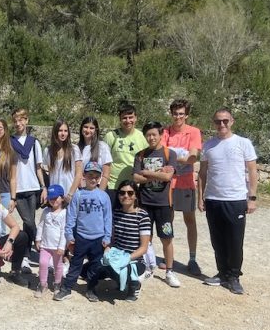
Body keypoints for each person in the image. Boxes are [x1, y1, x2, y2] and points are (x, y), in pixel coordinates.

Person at [198, 108, 258, 295]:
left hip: (235, 199)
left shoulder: (243, 143)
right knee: (217, 240)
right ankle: (222, 273)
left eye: (225, 120)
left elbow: (253, 171)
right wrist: (201, 197)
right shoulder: (208, 145)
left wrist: (252, 198)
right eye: (218, 121)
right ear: (213, 123)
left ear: (232, 121)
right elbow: (202, 173)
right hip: (213, 199)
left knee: (234, 240)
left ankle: (234, 277)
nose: (221, 124)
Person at [54, 161, 112, 302]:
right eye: (90, 175)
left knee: (95, 266)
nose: (93, 179)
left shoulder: (103, 196)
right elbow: (71, 217)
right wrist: (69, 235)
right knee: (75, 264)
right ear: (84, 176)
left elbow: (108, 218)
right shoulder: (78, 196)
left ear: (99, 178)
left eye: (96, 176)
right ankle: (67, 288)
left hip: (98, 239)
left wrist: (107, 236)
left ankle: (91, 289)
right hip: (81, 237)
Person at [133, 121, 181, 288]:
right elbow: (136, 178)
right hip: (145, 203)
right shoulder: (140, 155)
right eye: (148, 135)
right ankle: (147, 268)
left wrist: (146, 172)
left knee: (166, 238)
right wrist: (157, 174)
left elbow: (168, 177)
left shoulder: (170, 154)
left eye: (154, 134)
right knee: (146, 237)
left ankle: (169, 271)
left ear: (161, 135)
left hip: (163, 204)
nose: (151, 137)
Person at [85, 180, 151, 302]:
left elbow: (144, 247)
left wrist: (127, 258)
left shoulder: (143, 216)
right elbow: (111, 239)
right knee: (89, 268)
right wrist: (107, 250)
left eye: (130, 193)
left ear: (136, 195)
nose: (126, 196)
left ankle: (134, 285)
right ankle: (93, 288)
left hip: (134, 260)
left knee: (125, 269)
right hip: (116, 255)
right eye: (122, 193)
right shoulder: (115, 213)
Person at [161, 99, 203, 275]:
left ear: (186, 115)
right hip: (168, 182)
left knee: (189, 220)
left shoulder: (193, 132)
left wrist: (173, 156)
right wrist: (182, 156)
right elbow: (161, 154)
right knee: (167, 220)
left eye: (181, 114)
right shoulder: (165, 132)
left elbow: (193, 157)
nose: (178, 117)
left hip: (185, 182)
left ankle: (192, 259)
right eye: (175, 113)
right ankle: (168, 256)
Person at [10, 108, 46, 273]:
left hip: (32, 188)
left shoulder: (34, 142)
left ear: (26, 120)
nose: (18, 123)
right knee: (30, 222)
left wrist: (43, 186)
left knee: (28, 222)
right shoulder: (9, 142)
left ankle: (25, 256)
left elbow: (39, 168)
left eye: (21, 120)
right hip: (18, 188)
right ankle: (43, 247)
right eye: (15, 121)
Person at [104, 103, 148, 207]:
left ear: (136, 118)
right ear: (120, 119)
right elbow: (103, 161)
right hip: (113, 185)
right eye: (124, 118)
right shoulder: (111, 136)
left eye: (130, 117)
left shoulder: (142, 137)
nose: (128, 121)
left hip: (134, 186)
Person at [33, 184, 67, 298]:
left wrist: (62, 246)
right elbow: (41, 225)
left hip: (57, 247)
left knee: (58, 265)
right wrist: (38, 239)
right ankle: (43, 284)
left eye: (55, 198)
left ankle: (57, 284)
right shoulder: (46, 212)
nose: (53, 201)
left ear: (62, 197)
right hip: (45, 245)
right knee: (43, 263)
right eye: (50, 198)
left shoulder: (64, 213)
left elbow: (64, 231)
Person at [42, 119, 82, 206]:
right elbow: (48, 172)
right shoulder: (47, 151)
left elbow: (79, 174)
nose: (63, 133)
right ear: (55, 132)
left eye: (65, 131)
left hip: (71, 196)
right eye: (60, 130)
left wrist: (70, 194)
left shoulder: (74, 149)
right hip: (55, 197)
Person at [78, 116, 111, 193]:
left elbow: (106, 174)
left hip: (97, 189)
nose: (88, 130)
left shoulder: (102, 146)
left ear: (96, 130)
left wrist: (99, 193)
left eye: (91, 128)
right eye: (85, 127)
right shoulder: (77, 148)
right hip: (81, 190)